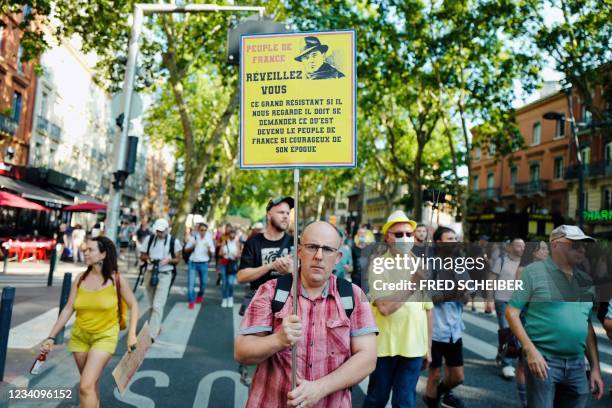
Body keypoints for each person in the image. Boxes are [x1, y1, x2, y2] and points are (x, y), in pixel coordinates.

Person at [235, 221, 378, 407]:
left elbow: (367, 358)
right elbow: (242, 352)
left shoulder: (354, 296)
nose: (319, 256)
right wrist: (277, 340)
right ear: (299, 251)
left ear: (338, 257)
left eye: (327, 249)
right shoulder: (270, 291)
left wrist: (319, 389)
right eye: (312, 247)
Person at [506, 225, 604, 407]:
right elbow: (512, 312)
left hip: (577, 365)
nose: (582, 249)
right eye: (575, 244)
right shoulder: (533, 272)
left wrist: (596, 368)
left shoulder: (585, 280)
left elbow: (587, 324)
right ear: (556, 244)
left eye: (584, 245)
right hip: (543, 361)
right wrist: (531, 351)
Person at [40, 236, 138, 408]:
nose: (85, 252)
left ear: (103, 255)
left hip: (105, 336)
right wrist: (51, 337)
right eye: (85, 249)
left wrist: (131, 335)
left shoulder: (116, 280)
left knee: (85, 385)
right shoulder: (80, 279)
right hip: (80, 337)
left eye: (90, 250)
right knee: (90, 384)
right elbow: (68, 308)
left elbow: (134, 305)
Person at [364, 211, 432, 408]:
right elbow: (384, 307)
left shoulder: (420, 266)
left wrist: (428, 349)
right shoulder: (378, 265)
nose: (405, 238)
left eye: (409, 234)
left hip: (413, 349)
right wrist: (413, 283)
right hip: (383, 348)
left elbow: (427, 310)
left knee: (405, 403)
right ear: (387, 237)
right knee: (377, 399)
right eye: (398, 234)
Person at [424, 226, 470, 408]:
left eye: (455, 238)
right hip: (435, 329)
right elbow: (429, 297)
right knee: (434, 374)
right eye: (449, 238)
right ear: (438, 242)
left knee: (458, 377)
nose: (454, 241)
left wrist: (465, 294)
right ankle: (432, 402)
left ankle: (438, 394)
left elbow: (467, 297)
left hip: (454, 330)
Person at [488, 238, 525, 379]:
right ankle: (507, 363)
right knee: (506, 331)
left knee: (516, 333)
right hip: (502, 300)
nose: (521, 248)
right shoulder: (501, 261)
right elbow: (491, 279)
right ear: (510, 247)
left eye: (523, 246)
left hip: (520, 303)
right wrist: (489, 299)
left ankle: (501, 354)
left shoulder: (527, 263)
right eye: (518, 245)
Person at [139, 218, 182, 340]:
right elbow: (142, 255)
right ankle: (156, 325)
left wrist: (168, 260)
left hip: (165, 273)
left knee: (158, 305)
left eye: (161, 231)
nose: (159, 233)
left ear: (167, 230)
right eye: (157, 231)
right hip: (150, 271)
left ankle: (151, 334)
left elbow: (178, 259)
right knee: (152, 304)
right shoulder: (150, 239)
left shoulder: (174, 241)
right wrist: (148, 259)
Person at [183, 222, 214, 309]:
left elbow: (211, 254)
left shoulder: (209, 239)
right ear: (198, 230)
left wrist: (209, 249)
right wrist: (193, 245)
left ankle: (200, 295)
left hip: (204, 263)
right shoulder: (194, 238)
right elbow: (186, 250)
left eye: (205, 230)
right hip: (193, 263)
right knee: (191, 284)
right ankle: (191, 301)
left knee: (203, 284)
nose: (203, 232)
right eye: (201, 230)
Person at [219, 226, 242, 308]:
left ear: (235, 234)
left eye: (233, 233)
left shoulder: (237, 243)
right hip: (224, 264)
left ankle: (230, 298)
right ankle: (224, 299)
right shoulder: (224, 242)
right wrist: (224, 254)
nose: (232, 235)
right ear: (228, 234)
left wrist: (236, 255)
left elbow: (239, 255)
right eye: (231, 233)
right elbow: (220, 253)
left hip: (232, 264)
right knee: (224, 283)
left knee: (231, 283)